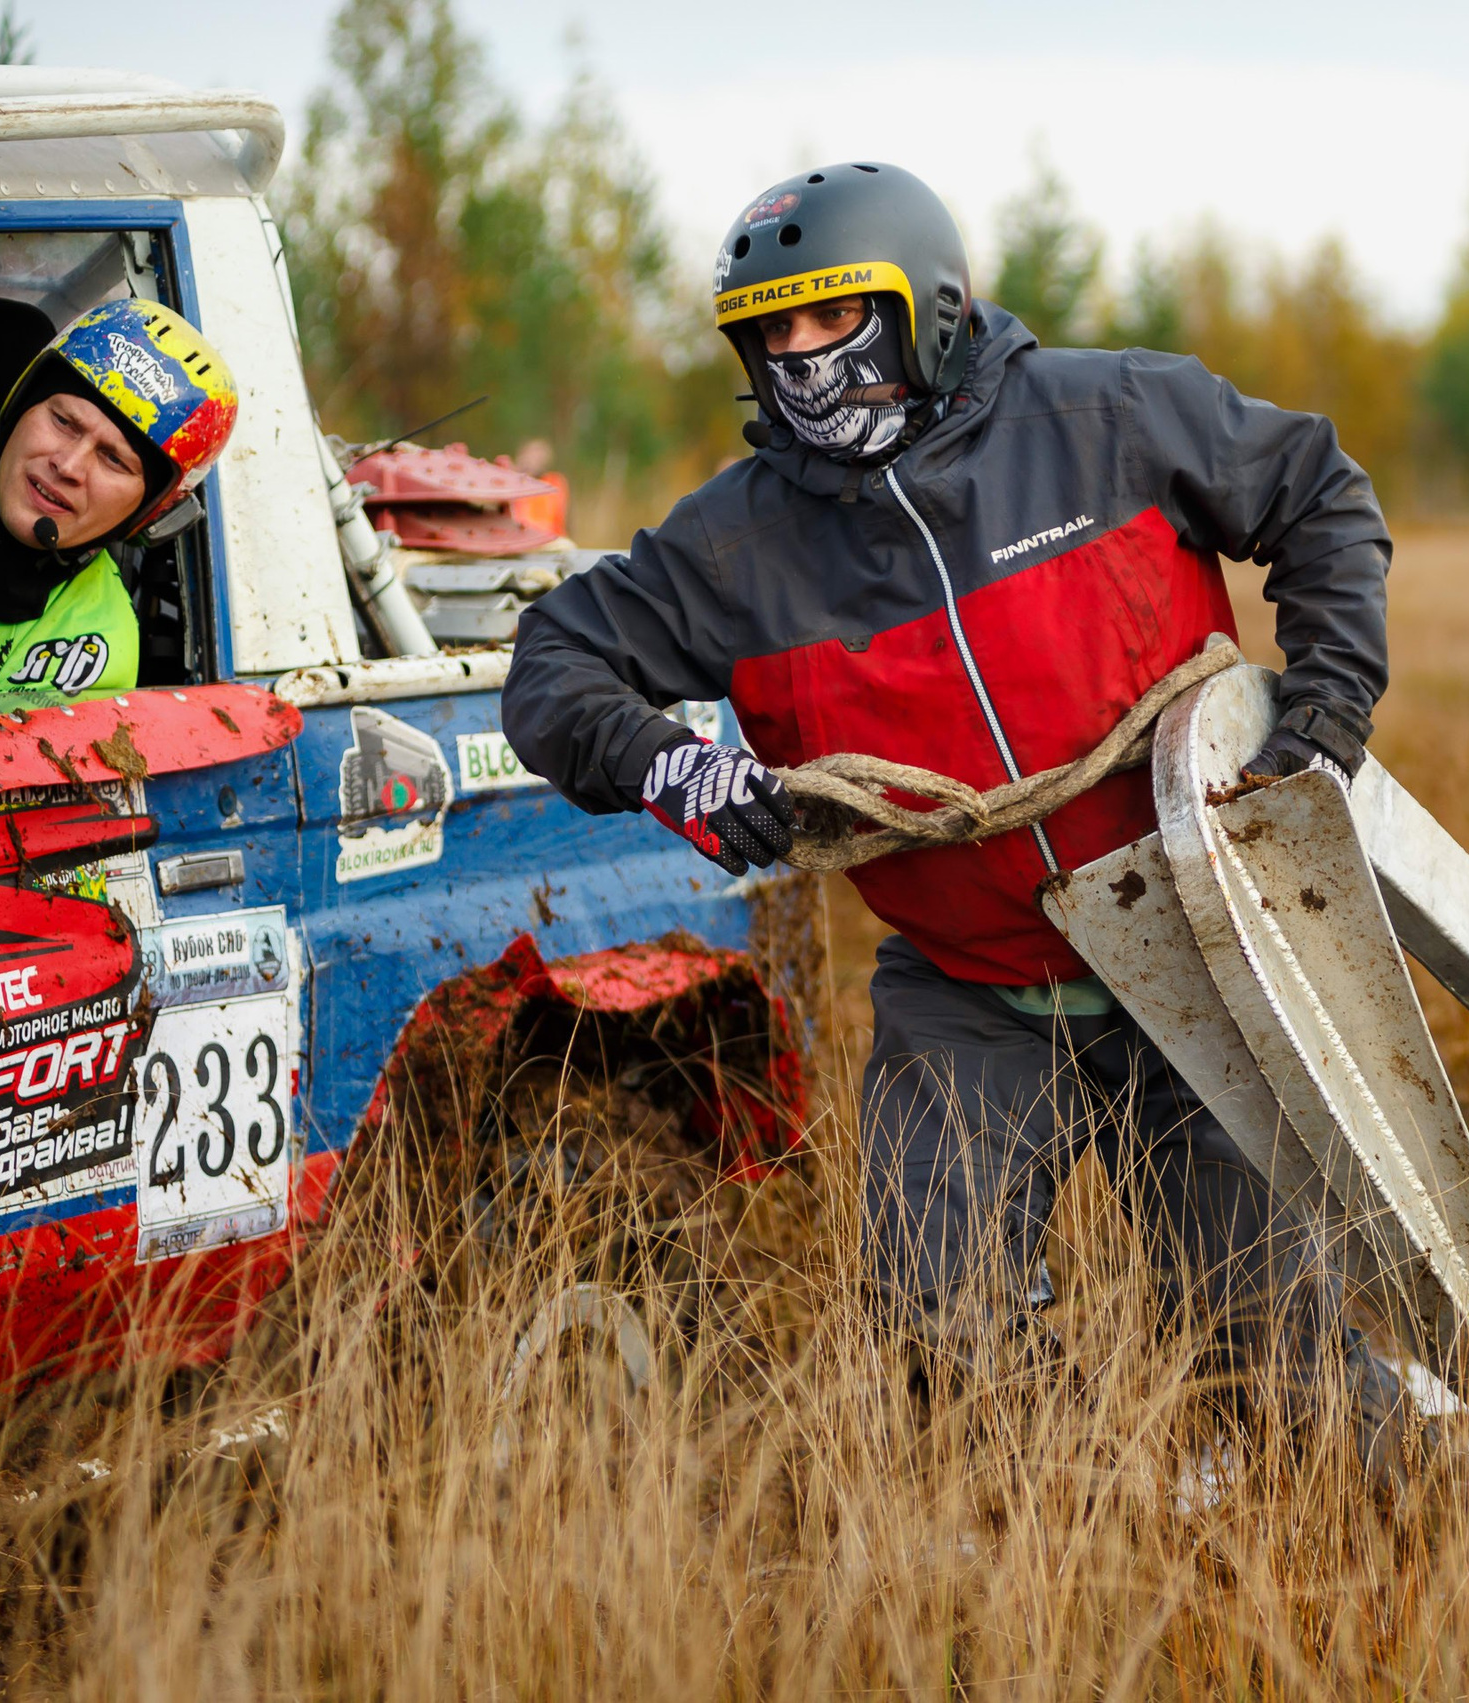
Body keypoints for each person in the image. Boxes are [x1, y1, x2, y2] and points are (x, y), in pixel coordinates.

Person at [503, 164, 1405, 1463]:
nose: (805, 362)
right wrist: (674, 767)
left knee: (1270, 1356)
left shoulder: (1112, 413)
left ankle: (1461, 1511)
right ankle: (1063, 1557)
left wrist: (1324, 708)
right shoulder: (736, 546)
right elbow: (554, 662)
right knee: (939, 1335)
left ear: (929, 307)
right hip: (971, 989)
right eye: (774, 337)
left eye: (836, 320)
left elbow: (1318, 490)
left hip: (1199, 955)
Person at [0, 298, 237, 729]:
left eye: (114, 459)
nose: (68, 466)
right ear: (19, 406)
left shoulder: (94, 646)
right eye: (64, 422)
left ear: (148, 512)